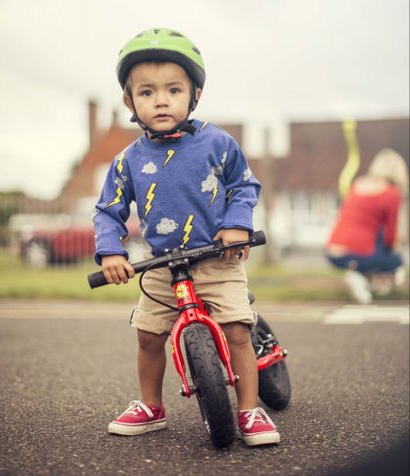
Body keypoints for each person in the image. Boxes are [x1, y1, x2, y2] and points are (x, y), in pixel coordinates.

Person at [93, 28, 279, 446]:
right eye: (146, 92)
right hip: (162, 265)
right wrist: (109, 252)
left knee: (237, 330)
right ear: (130, 102)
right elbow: (108, 209)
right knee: (147, 334)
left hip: (218, 257)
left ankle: (249, 409)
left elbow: (244, 186)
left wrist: (237, 225)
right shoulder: (127, 161)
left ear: (194, 95)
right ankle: (151, 406)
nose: (160, 100)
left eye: (173, 89)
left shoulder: (218, 143)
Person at [325, 148, 408, 304]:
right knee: (396, 260)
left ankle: (364, 277)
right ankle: (362, 277)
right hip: (358, 254)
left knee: (375, 237)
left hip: (332, 252)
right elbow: (391, 237)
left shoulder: (358, 184)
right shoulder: (392, 194)